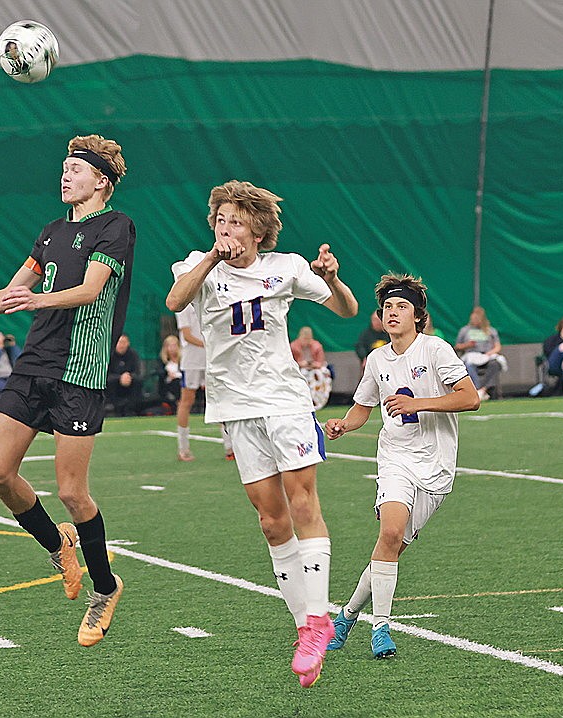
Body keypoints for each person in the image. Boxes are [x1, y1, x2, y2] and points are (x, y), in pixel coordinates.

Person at [0, 134, 133, 647]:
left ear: (101, 180)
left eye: (74, 169)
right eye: (63, 168)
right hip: (34, 366)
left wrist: (37, 302)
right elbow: (12, 292)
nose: (64, 176)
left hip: (80, 369)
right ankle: (57, 543)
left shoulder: (116, 226)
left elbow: (91, 290)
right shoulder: (51, 232)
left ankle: (106, 587)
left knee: (72, 492)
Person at [166, 179, 358, 688]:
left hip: (286, 402)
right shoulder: (197, 265)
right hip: (235, 408)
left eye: (233, 220)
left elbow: (347, 310)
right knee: (272, 522)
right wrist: (212, 256)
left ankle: (319, 620)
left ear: (257, 228)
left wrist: (333, 280)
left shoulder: (286, 267)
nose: (224, 227)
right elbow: (175, 299)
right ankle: (305, 629)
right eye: (219, 219)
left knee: (302, 502)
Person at [324, 273, 479, 659]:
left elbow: (471, 398)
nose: (392, 313)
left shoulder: (436, 350)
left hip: (437, 467)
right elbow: (363, 408)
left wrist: (418, 403)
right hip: (395, 457)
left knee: (390, 548)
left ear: (417, 316)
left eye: (401, 307)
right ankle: (381, 629)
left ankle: (345, 616)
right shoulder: (377, 358)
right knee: (390, 533)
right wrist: (344, 424)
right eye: (387, 308)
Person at [174, 303, 234, 462]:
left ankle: (230, 448)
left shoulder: (207, 301)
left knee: (218, 399)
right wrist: (208, 344)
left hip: (211, 360)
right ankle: (183, 449)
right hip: (191, 361)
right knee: (187, 401)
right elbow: (186, 335)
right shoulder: (184, 305)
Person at [455, 306, 505, 401]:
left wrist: (490, 353)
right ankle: (476, 389)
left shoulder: (491, 331)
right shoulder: (465, 330)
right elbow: (457, 346)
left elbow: (497, 346)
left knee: (495, 364)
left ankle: (482, 389)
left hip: (486, 356)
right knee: (468, 365)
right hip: (471, 355)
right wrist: (467, 345)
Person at [290, 326, 333, 410]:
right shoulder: (293, 346)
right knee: (303, 373)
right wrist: (301, 364)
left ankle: (319, 400)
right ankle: (301, 400)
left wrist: (313, 364)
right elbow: (291, 362)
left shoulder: (317, 346)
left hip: (315, 369)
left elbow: (321, 362)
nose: (305, 341)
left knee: (320, 374)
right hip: (300, 369)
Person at [106, 334, 144, 416]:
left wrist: (129, 377)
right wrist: (119, 378)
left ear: (128, 343)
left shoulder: (133, 355)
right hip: (114, 387)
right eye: (119, 342)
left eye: (123, 342)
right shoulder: (108, 355)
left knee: (138, 382)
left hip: (130, 385)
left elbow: (138, 373)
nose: (121, 345)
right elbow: (106, 375)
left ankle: (132, 410)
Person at [156, 334, 183, 412]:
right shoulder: (163, 362)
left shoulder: (182, 361)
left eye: (174, 346)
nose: (172, 349)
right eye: (169, 346)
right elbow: (160, 375)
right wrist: (167, 374)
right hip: (168, 387)